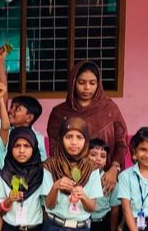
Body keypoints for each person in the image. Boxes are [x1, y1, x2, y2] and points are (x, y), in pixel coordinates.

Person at [35, 117, 103, 231]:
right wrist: (55, 187)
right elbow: (48, 205)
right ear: (61, 139)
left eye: (79, 137)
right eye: (69, 137)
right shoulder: (50, 165)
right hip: (54, 230)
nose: (74, 142)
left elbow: (92, 207)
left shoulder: (91, 169)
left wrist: (83, 196)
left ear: (86, 141)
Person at [47, 60, 128, 192]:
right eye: (81, 82)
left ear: (98, 84)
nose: (87, 88)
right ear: (73, 82)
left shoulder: (109, 109)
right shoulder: (59, 113)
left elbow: (121, 142)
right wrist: (65, 176)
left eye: (92, 83)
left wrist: (115, 168)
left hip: (106, 179)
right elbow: (54, 149)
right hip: (71, 181)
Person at [88, 138, 117, 231]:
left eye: (102, 156)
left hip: (102, 225)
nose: (97, 159)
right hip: (84, 225)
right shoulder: (80, 177)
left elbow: (115, 210)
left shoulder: (110, 180)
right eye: (93, 155)